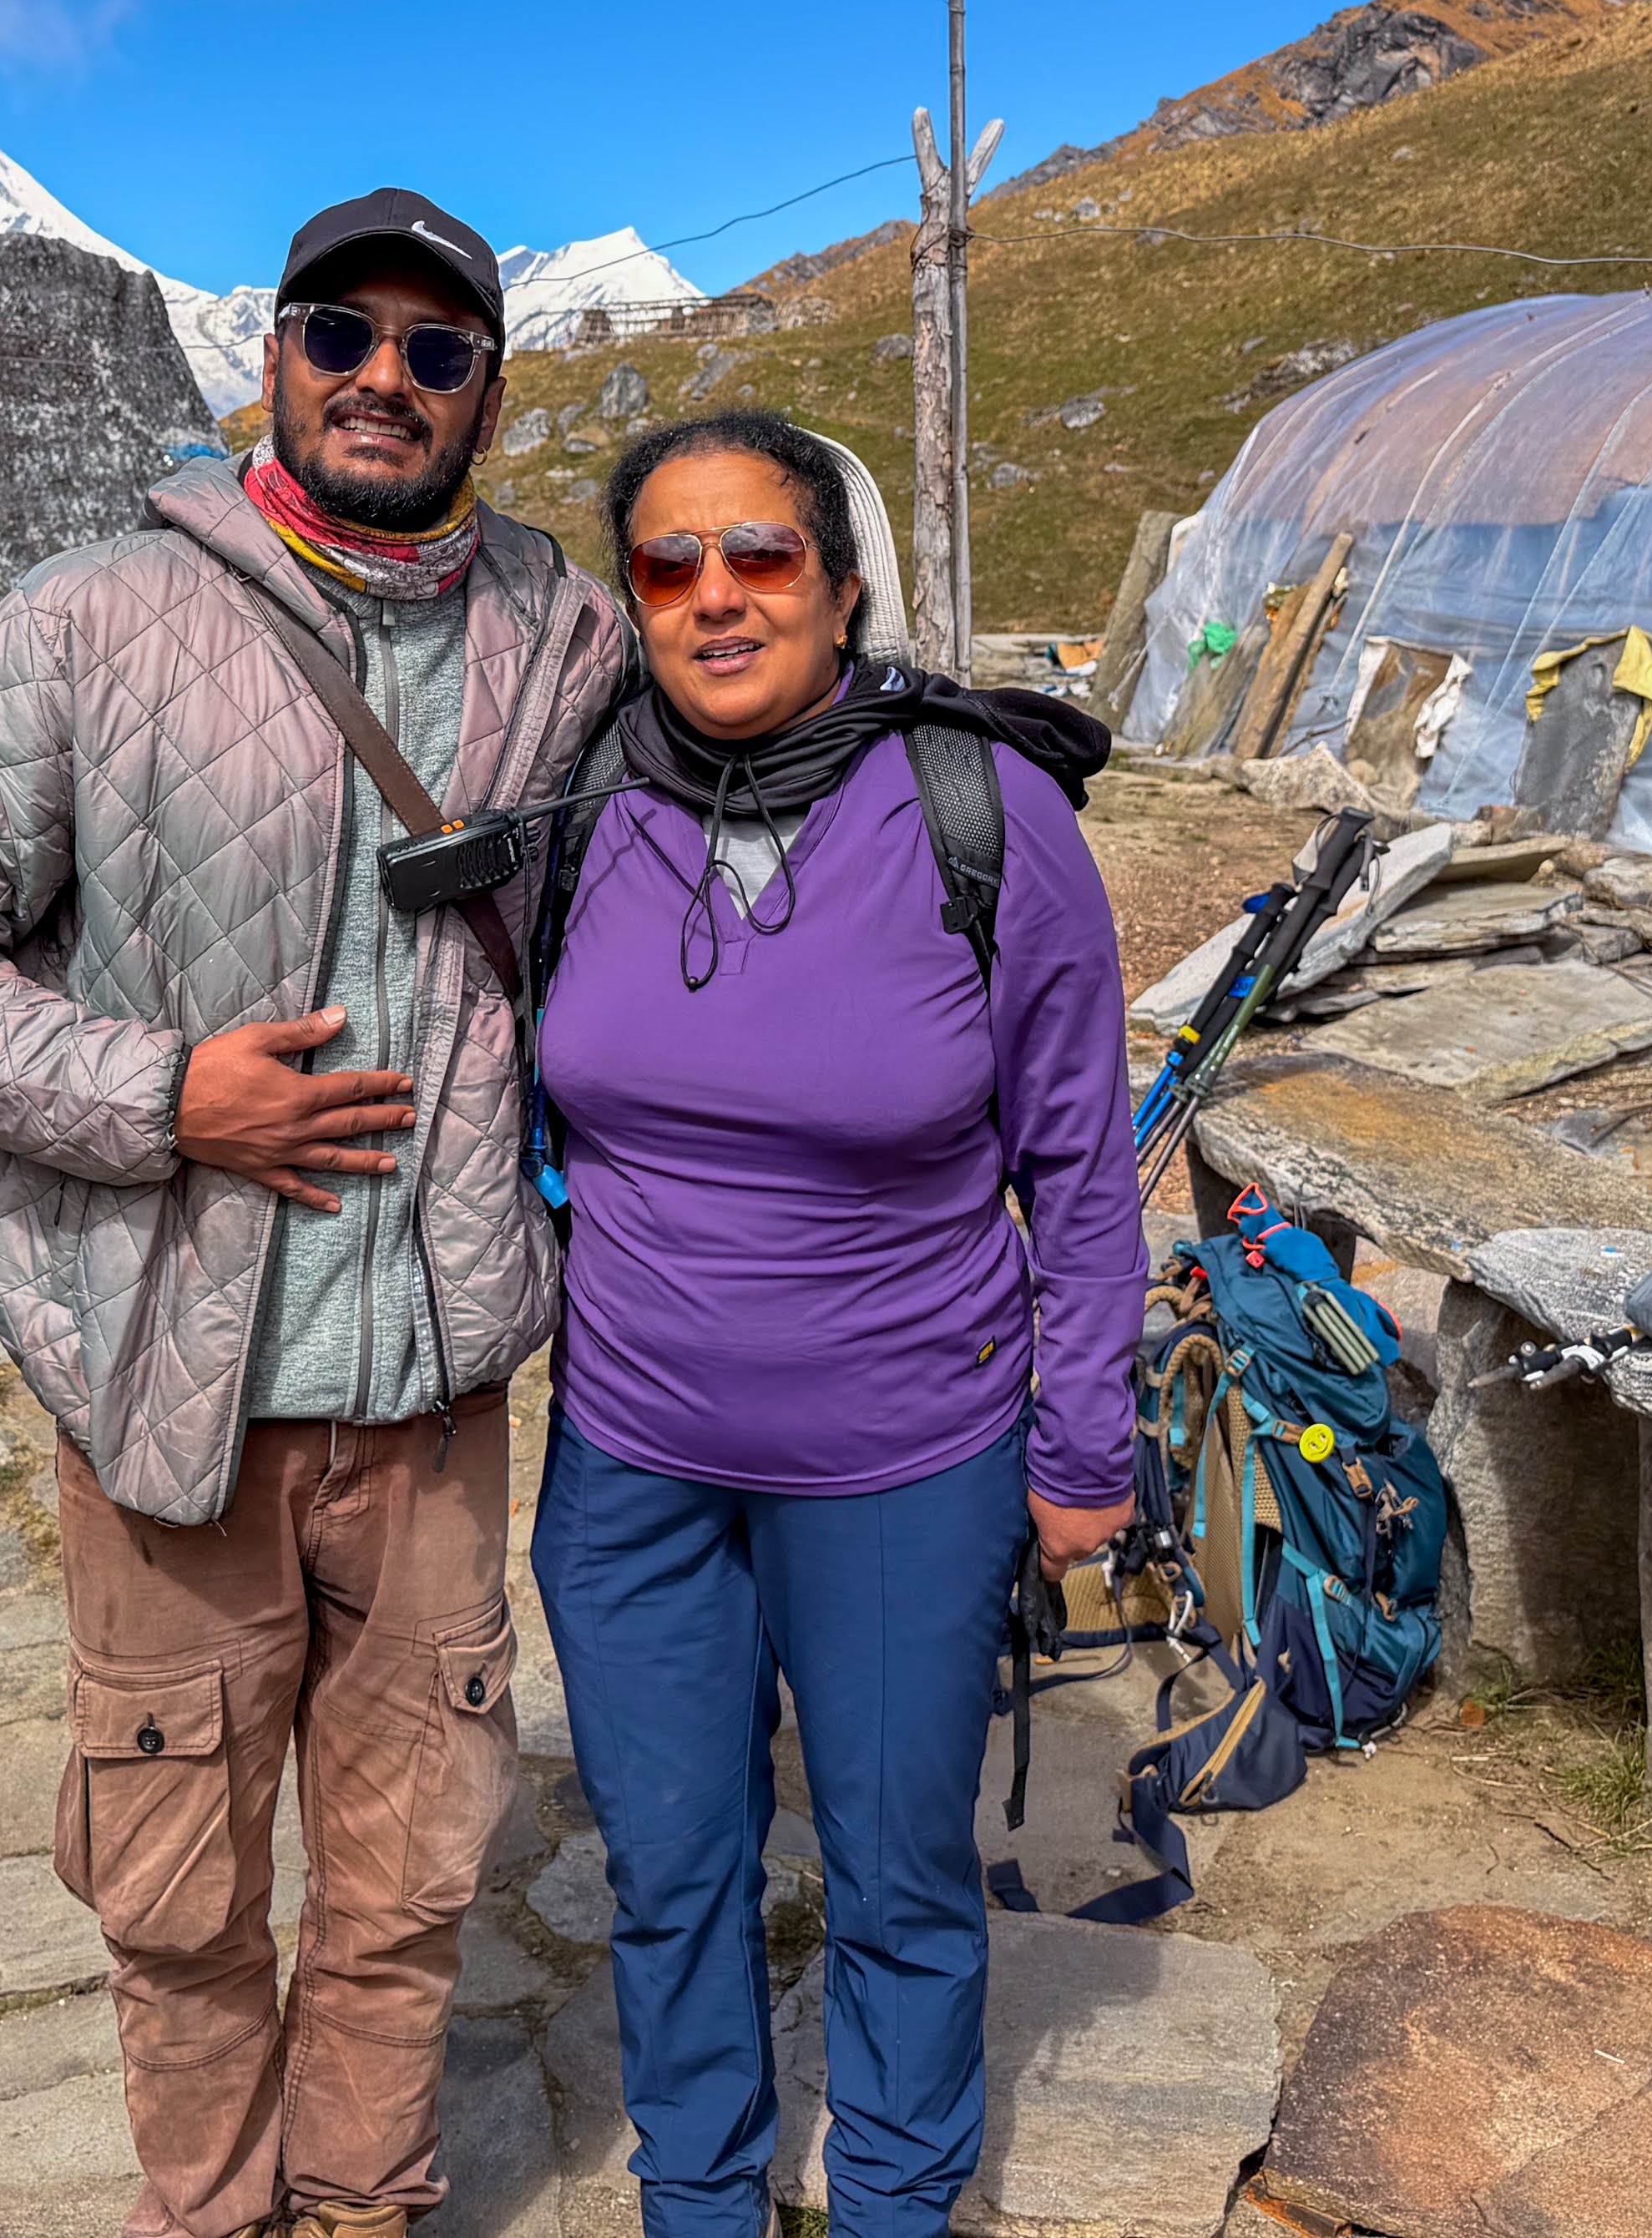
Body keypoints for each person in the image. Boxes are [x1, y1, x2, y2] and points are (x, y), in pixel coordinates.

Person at [0, 188, 624, 2238]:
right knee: (177, 1887)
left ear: (488, 396)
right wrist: (165, 1093)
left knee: (412, 1867)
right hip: (174, 1374)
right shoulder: (91, 618)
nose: (383, 376)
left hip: (432, 1380)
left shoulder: (566, 636)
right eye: (338, 331)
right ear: (266, 353)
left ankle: (362, 2206)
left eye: (436, 351)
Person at [524, 409, 1148, 2238]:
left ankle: (889, 2202)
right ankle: (698, 2204)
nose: (713, 594)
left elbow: (1079, 1166)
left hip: (901, 1458)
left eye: (758, 554)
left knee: (892, 1880)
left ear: (840, 579)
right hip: (628, 1467)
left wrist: (1083, 1444)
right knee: (668, 1872)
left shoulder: (982, 815)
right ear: (632, 597)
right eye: (666, 563)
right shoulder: (589, 801)